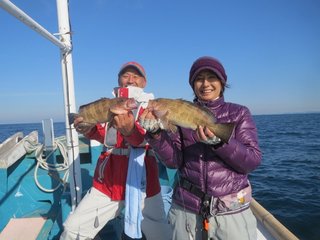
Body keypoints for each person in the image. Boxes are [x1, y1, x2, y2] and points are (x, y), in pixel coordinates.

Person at [140, 56, 262, 240]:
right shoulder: (176, 118)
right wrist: (156, 135)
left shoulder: (239, 113)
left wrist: (221, 143)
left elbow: (251, 161)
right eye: (199, 79)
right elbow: (173, 162)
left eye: (211, 77)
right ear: (192, 85)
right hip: (186, 210)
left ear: (222, 82)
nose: (205, 84)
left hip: (230, 213)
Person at [60, 61, 171, 240]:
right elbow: (101, 134)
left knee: (161, 235)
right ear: (119, 80)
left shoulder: (153, 107)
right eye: (125, 75)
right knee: (73, 230)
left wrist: (130, 132)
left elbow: (150, 140)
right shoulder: (109, 104)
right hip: (108, 182)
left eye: (136, 76)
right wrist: (87, 129)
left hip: (145, 183)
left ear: (144, 82)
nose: (130, 80)